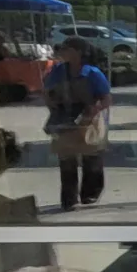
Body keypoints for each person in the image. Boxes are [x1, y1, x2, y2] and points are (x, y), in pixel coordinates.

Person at [44, 37, 112, 211]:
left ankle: (90, 194)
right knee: (66, 158)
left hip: (90, 118)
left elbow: (106, 99)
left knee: (91, 156)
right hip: (65, 116)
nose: (63, 52)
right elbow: (47, 91)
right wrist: (52, 106)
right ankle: (69, 198)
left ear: (78, 52)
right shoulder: (58, 71)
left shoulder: (93, 73)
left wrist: (92, 113)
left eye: (67, 49)